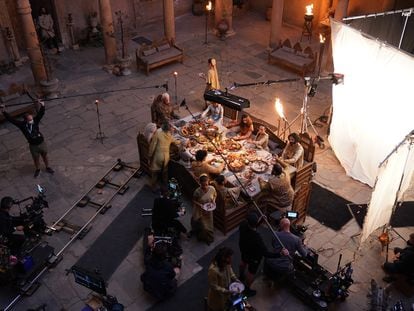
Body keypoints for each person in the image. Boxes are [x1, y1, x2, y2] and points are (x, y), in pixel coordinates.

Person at [238, 212, 289, 297]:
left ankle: (240, 276)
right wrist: (280, 254)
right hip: (254, 257)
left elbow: (251, 227)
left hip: (244, 249)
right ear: (255, 222)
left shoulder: (243, 225)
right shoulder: (257, 238)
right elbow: (266, 254)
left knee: (243, 262)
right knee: (251, 272)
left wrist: (260, 221)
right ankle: (246, 289)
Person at [1, 101, 54, 178]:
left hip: (41, 143)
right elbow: (11, 120)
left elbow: (41, 114)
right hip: (33, 146)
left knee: (45, 156)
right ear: (26, 120)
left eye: (32, 119)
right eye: (30, 120)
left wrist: (42, 106)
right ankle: (38, 169)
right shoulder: (22, 125)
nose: (32, 121)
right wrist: (4, 111)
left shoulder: (35, 121)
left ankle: (48, 167)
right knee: (36, 158)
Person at [148, 122, 180, 191]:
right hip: (165, 157)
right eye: (171, 127)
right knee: (165, 172)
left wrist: (150, 156)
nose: (172, 128)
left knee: (155, 173)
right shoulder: (169, 135)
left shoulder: (158, 132)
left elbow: (152, 146)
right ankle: (165, 184)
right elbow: (175, 141)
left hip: (157, 156)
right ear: (168, 129)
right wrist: (182, 142)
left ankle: (153, 186)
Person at [207, 247, 239, 311]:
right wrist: (226, 291)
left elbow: (230, 271)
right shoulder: (213, 270)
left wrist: (235, 279)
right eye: (229, 258)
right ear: (223, 258)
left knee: (225, 305)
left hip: (226, 291)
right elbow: (214, 286)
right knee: (218, 308)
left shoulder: (227, 263)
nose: (231, 259)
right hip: (218, 296)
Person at [190, 174, 217, 245]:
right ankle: (201, 237)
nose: (205, 186)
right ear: (200, 184)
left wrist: (213, 201)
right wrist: (201, 205)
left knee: (210, 226)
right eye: (203, 185)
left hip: (209, 210)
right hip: (200, 211)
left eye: (206, 184)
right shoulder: (197, 191)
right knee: (203, 226)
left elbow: (214, 195)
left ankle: (209, 238)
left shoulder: (212, 189)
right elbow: (194, 200)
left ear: (208, 182)